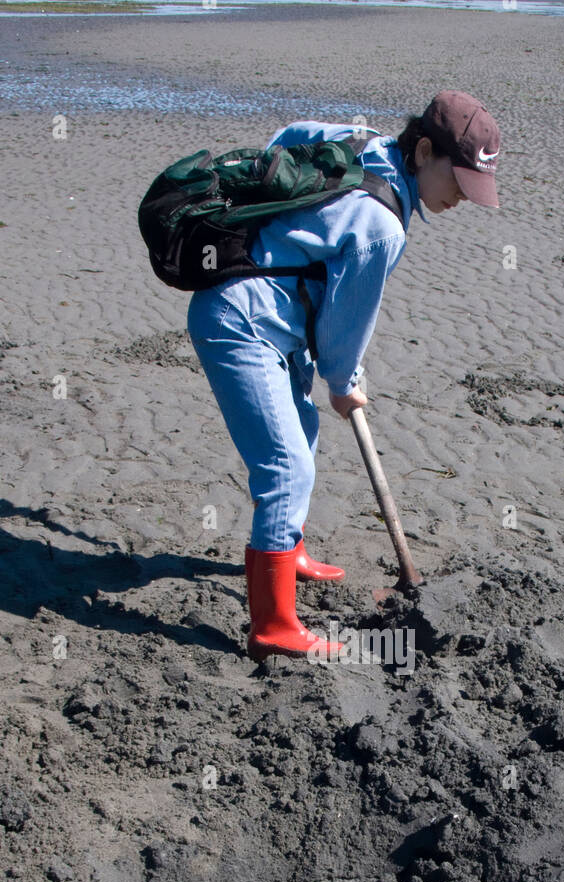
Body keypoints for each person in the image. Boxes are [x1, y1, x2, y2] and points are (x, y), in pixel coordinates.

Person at [187, 90, 500, 662]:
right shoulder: (383, 228)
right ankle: (274, 629)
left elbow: (287, 136)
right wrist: (344, 381)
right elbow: (342, 331)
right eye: (456, 180)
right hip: (241, 323)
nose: (460, 197)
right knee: (286, 466)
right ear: (424, 150)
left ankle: (290, 549)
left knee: (299, 435)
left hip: (269, 312)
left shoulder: (363, 144)